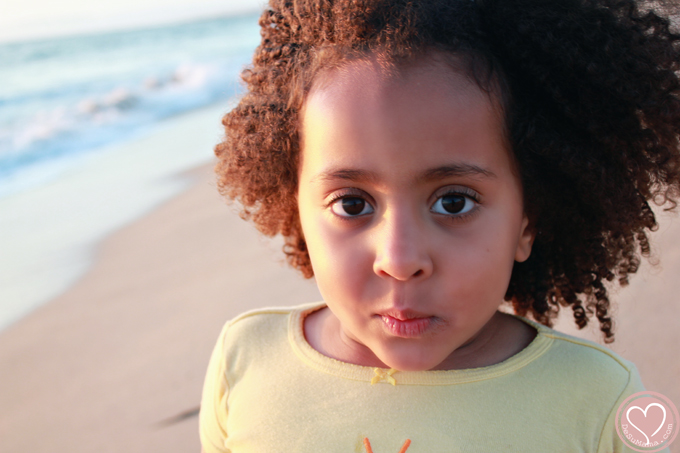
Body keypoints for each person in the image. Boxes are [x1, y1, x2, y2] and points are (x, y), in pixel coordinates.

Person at [200, 0, 680, 451]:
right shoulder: (246, 360)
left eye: (453, 202)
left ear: (527, 220)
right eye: (351, 204)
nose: (401, 260)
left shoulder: (597, 399)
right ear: (296, 207)